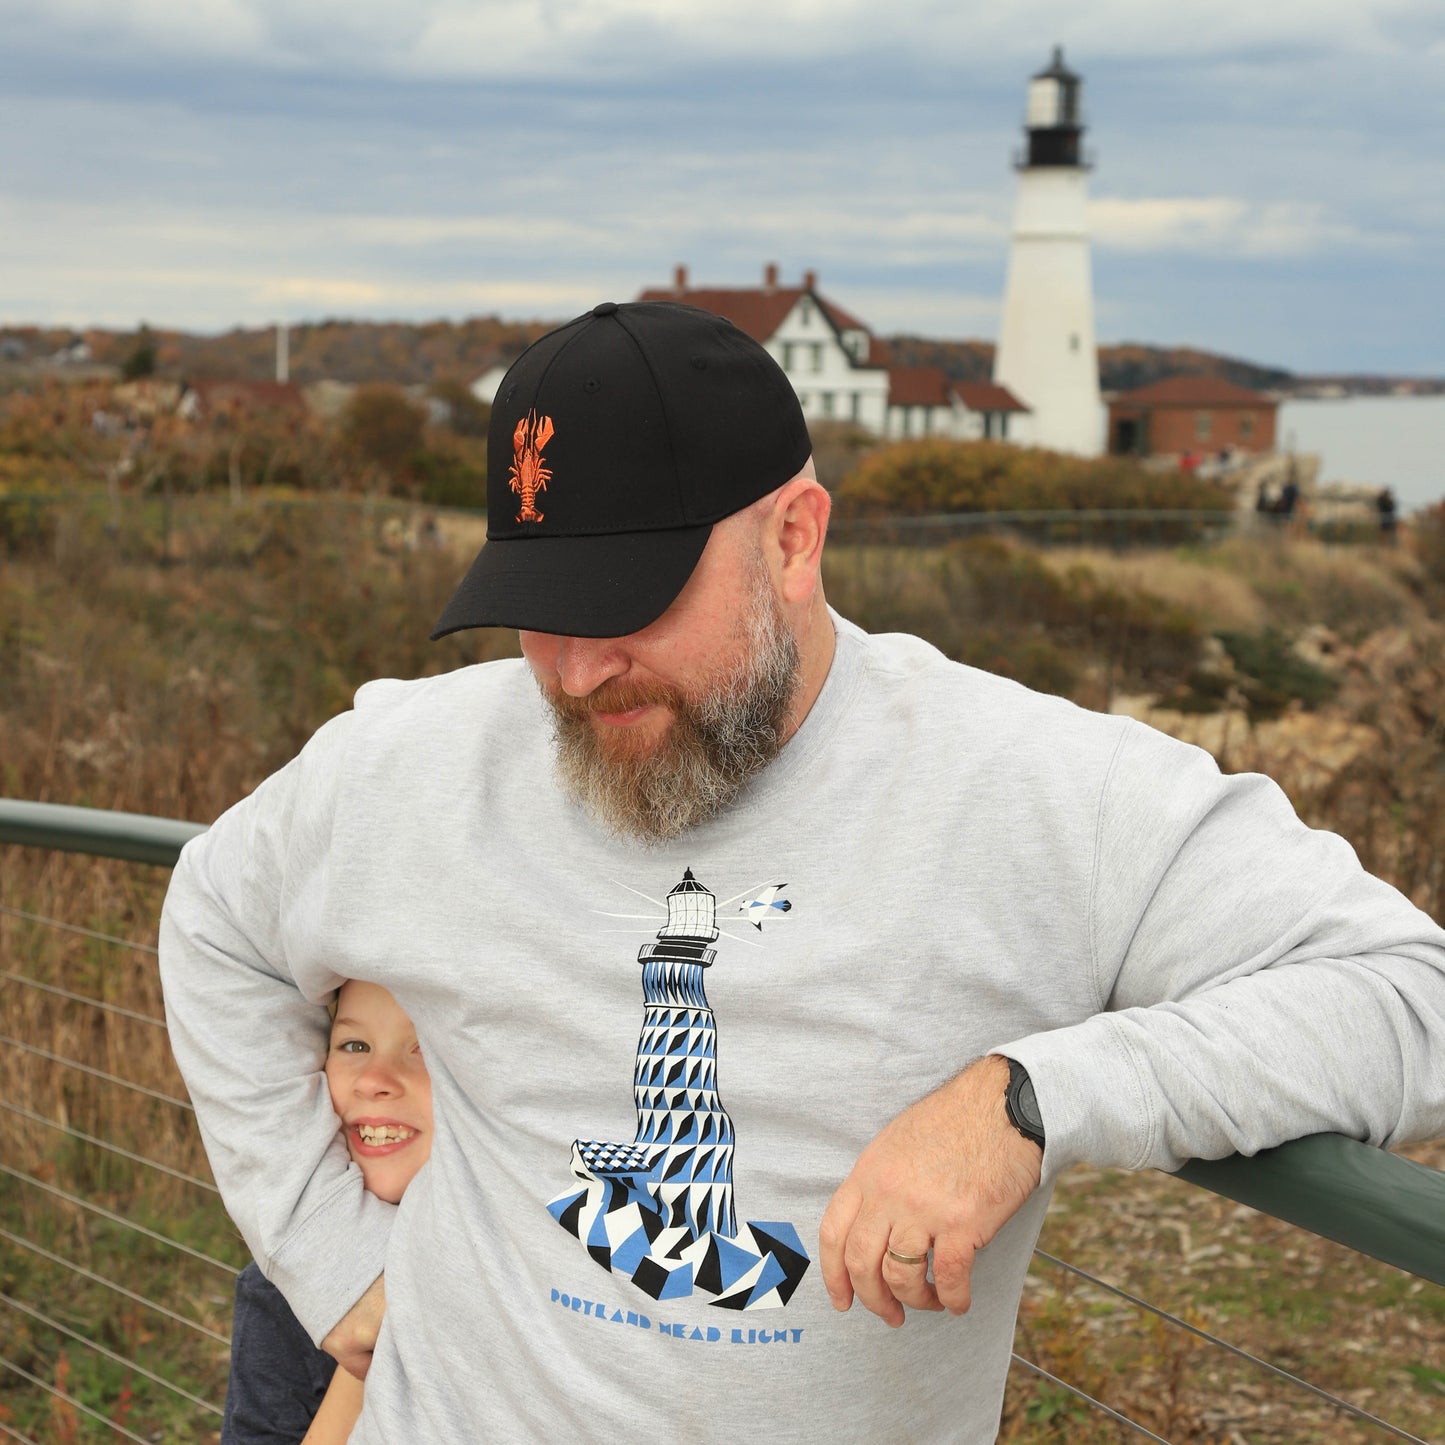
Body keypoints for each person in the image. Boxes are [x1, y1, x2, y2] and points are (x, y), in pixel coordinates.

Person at [160, 301, 1445, 1443]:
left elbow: (1405, 997)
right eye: (541, 601)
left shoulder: (1038, 791)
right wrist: (332, 1257)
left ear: (793, 538)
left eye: (630, 597)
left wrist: (1032, 1094)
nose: (572, 669)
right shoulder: (411, 761)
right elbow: (216, 920)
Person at [221, 981, 432, 1445]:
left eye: (425, 1049)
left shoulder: (554, 1259)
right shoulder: (278, 1291)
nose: (374, 1079)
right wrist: (374, 1347)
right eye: (355, 1045)